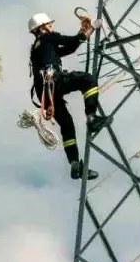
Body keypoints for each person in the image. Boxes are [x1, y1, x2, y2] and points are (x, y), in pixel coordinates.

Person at [28, 11, 112, 180]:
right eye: (49, 24)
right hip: (54, 81)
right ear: (42, 28)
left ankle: (74, 165)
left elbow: (70, 48)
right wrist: (90, 29)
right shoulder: (48, 38)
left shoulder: (38, 47)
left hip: (44, 93)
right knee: (88, 80)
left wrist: (86, 31)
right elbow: (73, 41)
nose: (52, 27)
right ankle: (92, 119)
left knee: (66, 126)